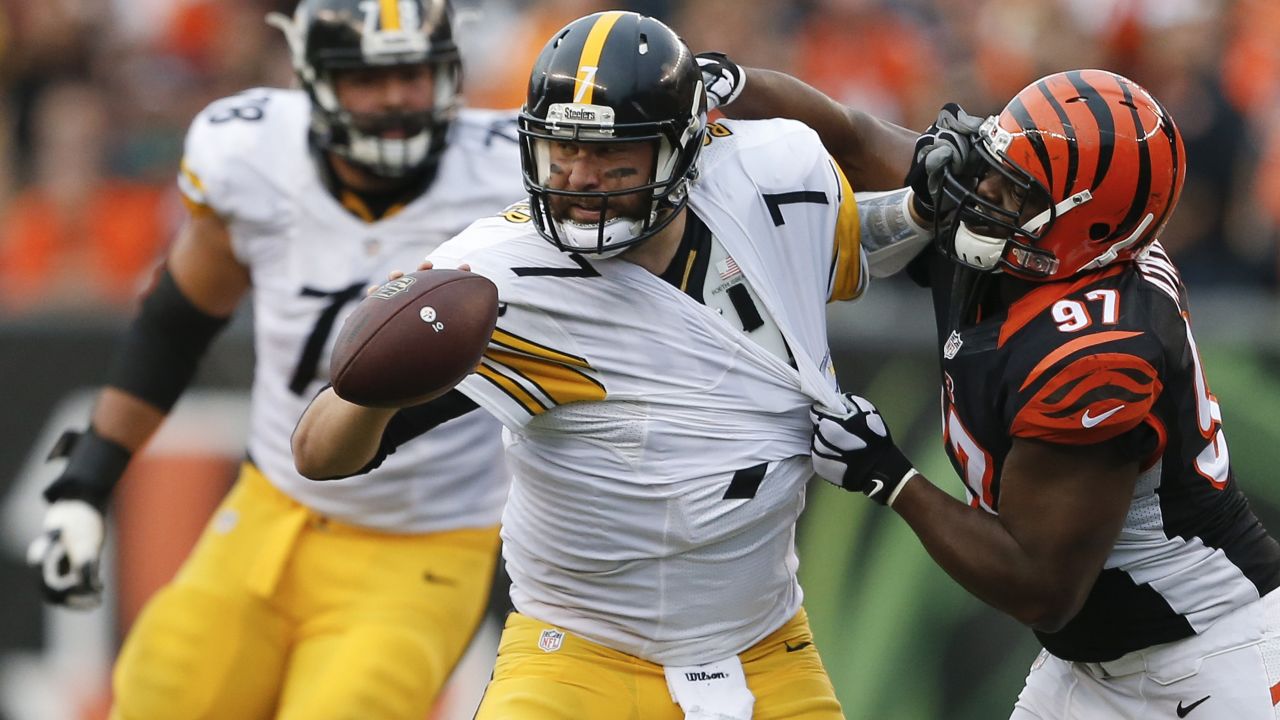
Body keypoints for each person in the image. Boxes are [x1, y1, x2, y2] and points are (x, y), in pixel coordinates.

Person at [292, 11, 925, 719]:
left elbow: (848, 237)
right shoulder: (503, 280)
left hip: (766, 650)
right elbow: (319, 453)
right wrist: (376, 380)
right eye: (561, 151)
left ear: (687, 149)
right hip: (579, 660)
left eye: (612, 157)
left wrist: (920, 211)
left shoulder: (769, 176)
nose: (579, 180)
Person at [710, 56, 1280, 718]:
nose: (983, 191)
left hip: (1208, 662)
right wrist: (724, 83)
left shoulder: (1096, 353)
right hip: (1091, 668)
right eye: (995, 168)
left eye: (1017, 192)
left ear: (1088, 229)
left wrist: (891, 477)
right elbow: (850, 135)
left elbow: (1040, 586)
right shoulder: (1016, 224)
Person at [24, 1, 525, 717]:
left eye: (414, 73)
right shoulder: (251, 156)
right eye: (366, 78)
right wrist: (87, 480)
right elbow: (178, 321)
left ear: (449, 71)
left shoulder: (512, 175)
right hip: (270, 512)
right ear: (314, 81)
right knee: (157, 695)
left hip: (423, 545)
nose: (394, 98)